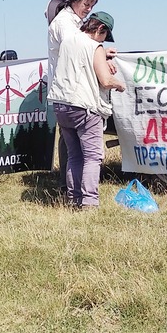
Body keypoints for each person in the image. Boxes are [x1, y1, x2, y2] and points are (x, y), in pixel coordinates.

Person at [47, 11, 125, 209]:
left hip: (61, 105)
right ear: (100, 28)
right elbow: (105, 81)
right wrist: (120, 84)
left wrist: (103, 56)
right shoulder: (94, 47)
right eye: (104, 35)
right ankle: (89, 202)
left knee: (74, 155)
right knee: (92, 157)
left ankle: (74, 199)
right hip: (84, 107)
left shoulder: (68, 42)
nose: (103, 40)